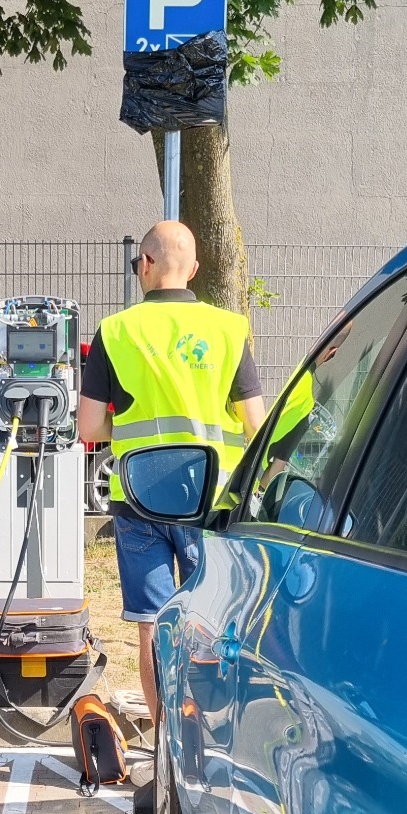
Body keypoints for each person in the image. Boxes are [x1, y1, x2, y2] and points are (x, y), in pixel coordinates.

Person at [78, 220, 266, 727]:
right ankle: (209, 740)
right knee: (211, 624)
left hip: (139, 501)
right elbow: (256, 424)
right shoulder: (229, 330)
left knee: (152, 628)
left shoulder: (115, 331)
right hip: (209, 503)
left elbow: (90, 428)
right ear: (196, 270)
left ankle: (165, 755)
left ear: (145, 264)